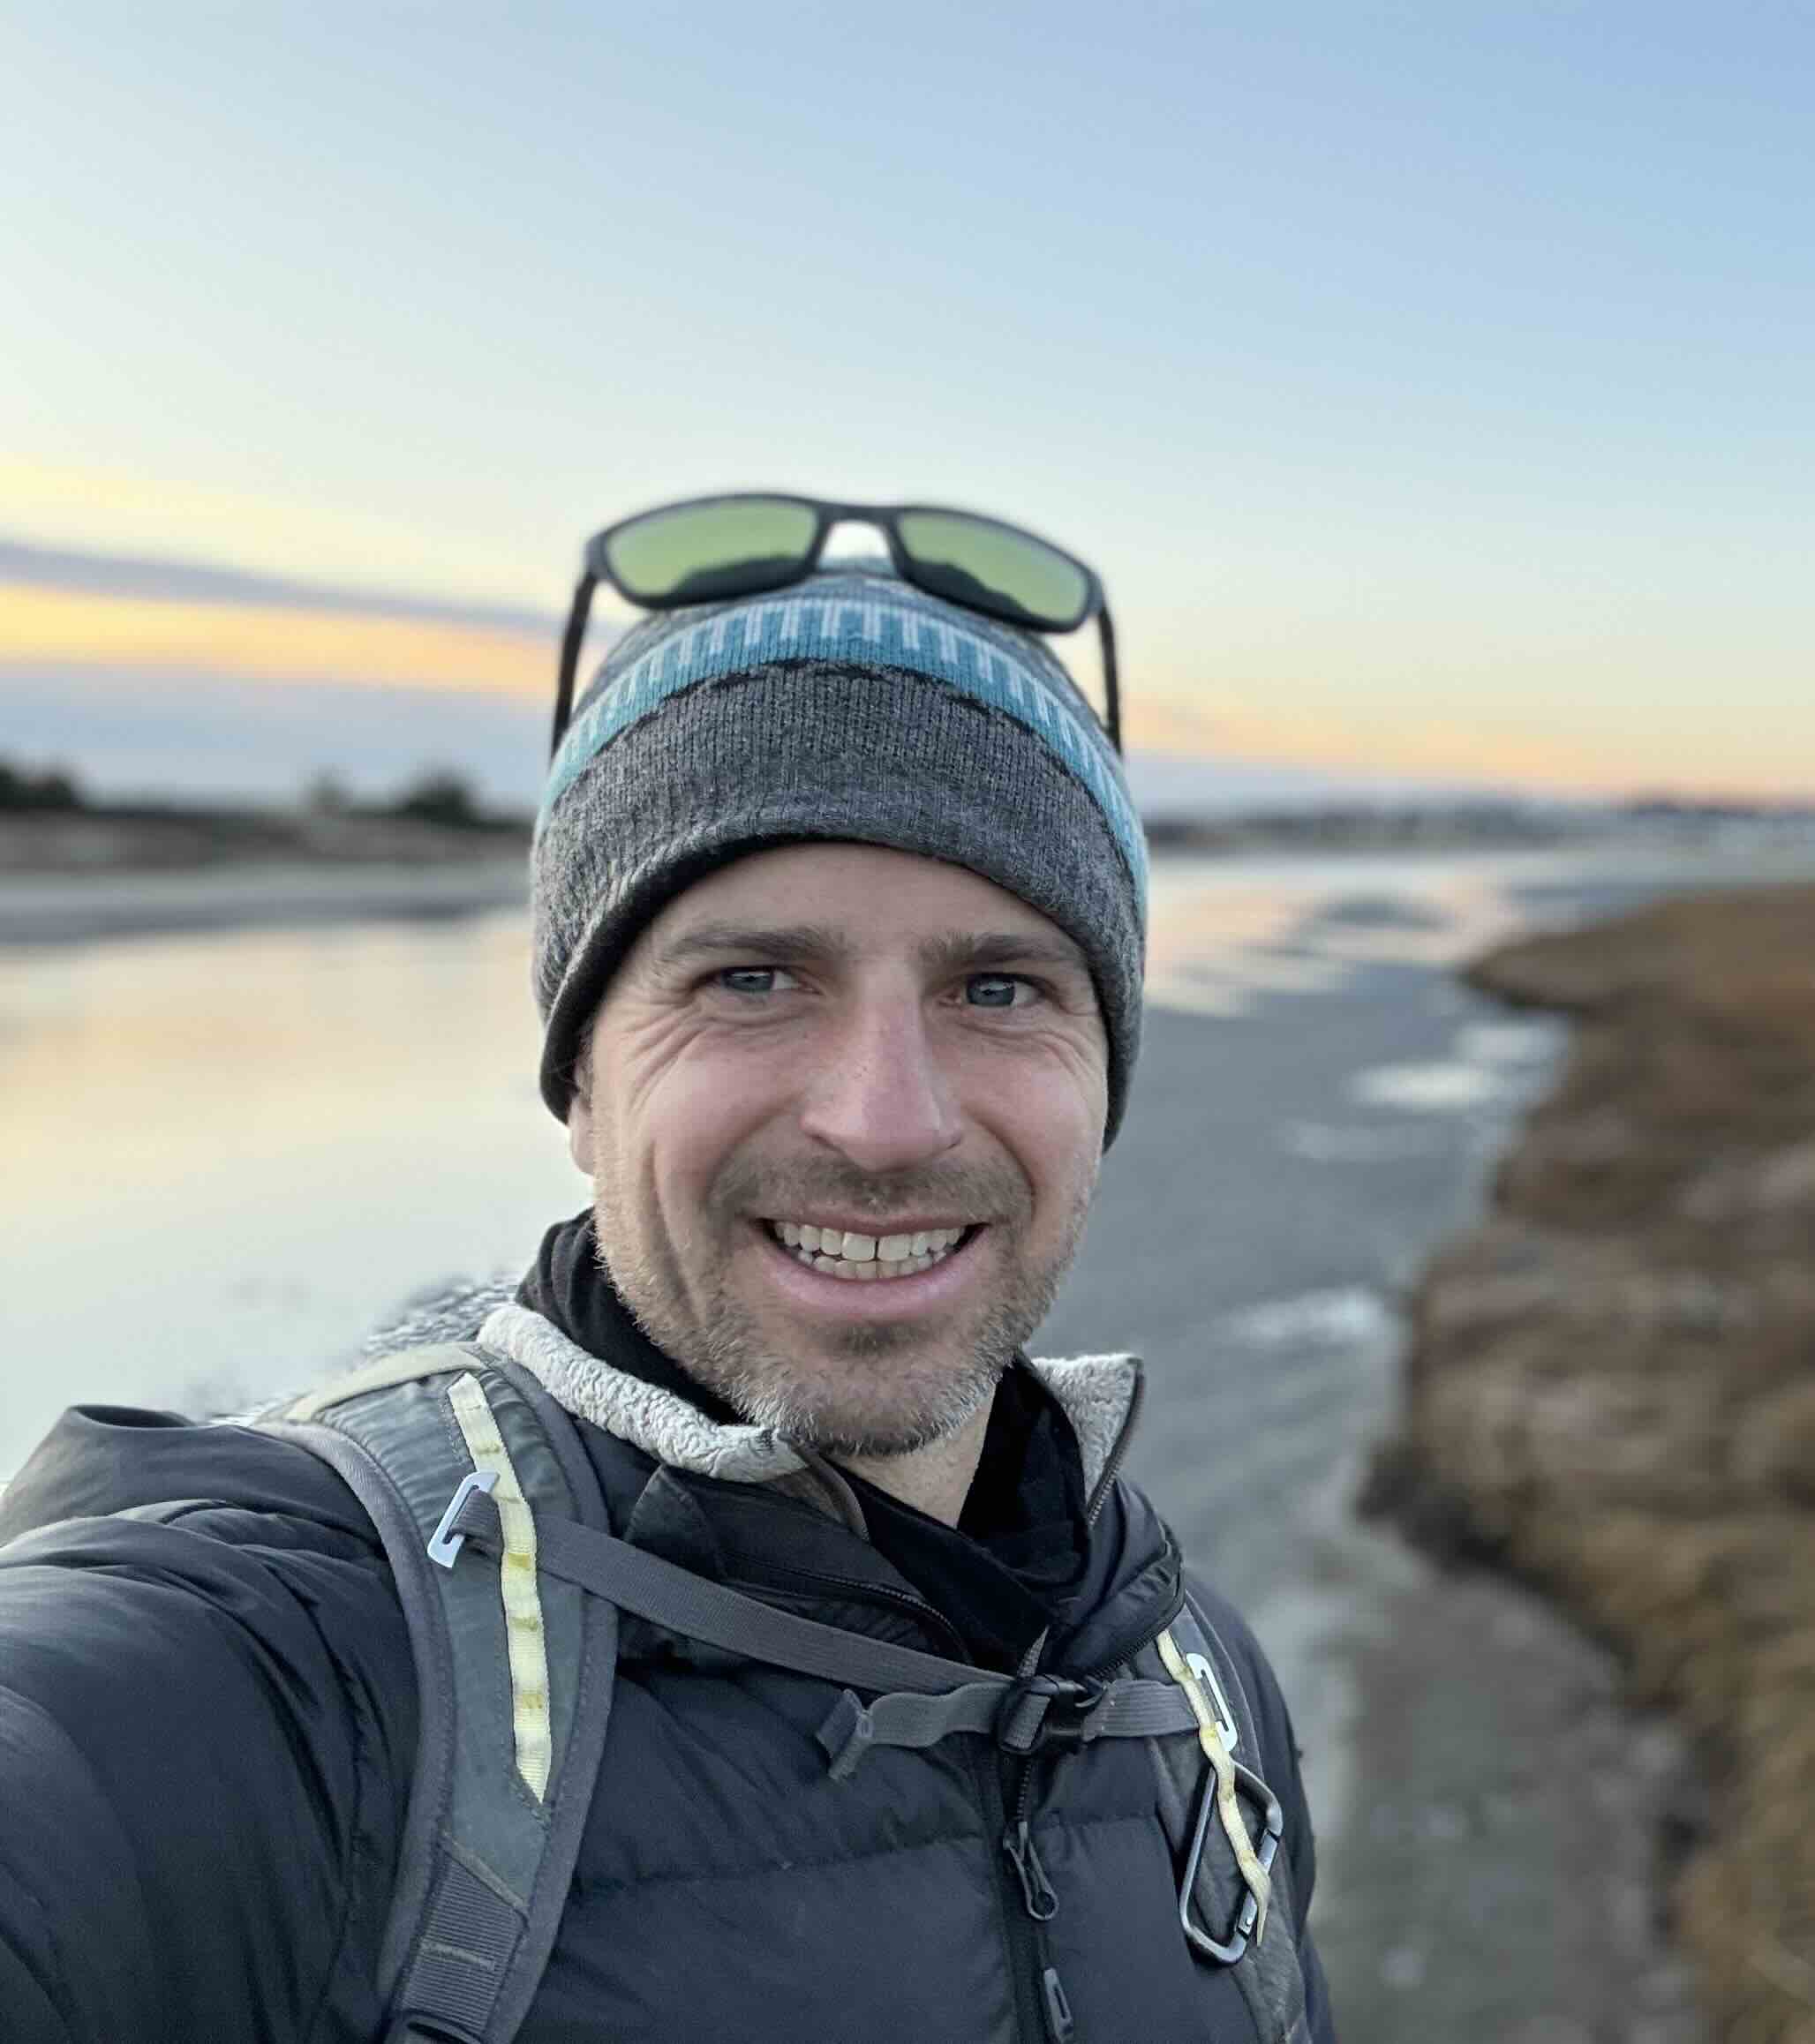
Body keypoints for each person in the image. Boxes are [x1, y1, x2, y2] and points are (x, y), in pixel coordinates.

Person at [0, 502, 1335, 2043]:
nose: (885, 1118)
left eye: (999, 985)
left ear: (1103, 1083)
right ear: (581, 1084)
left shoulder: (1194, 1676)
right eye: (753, 978)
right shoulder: (302, 1667)